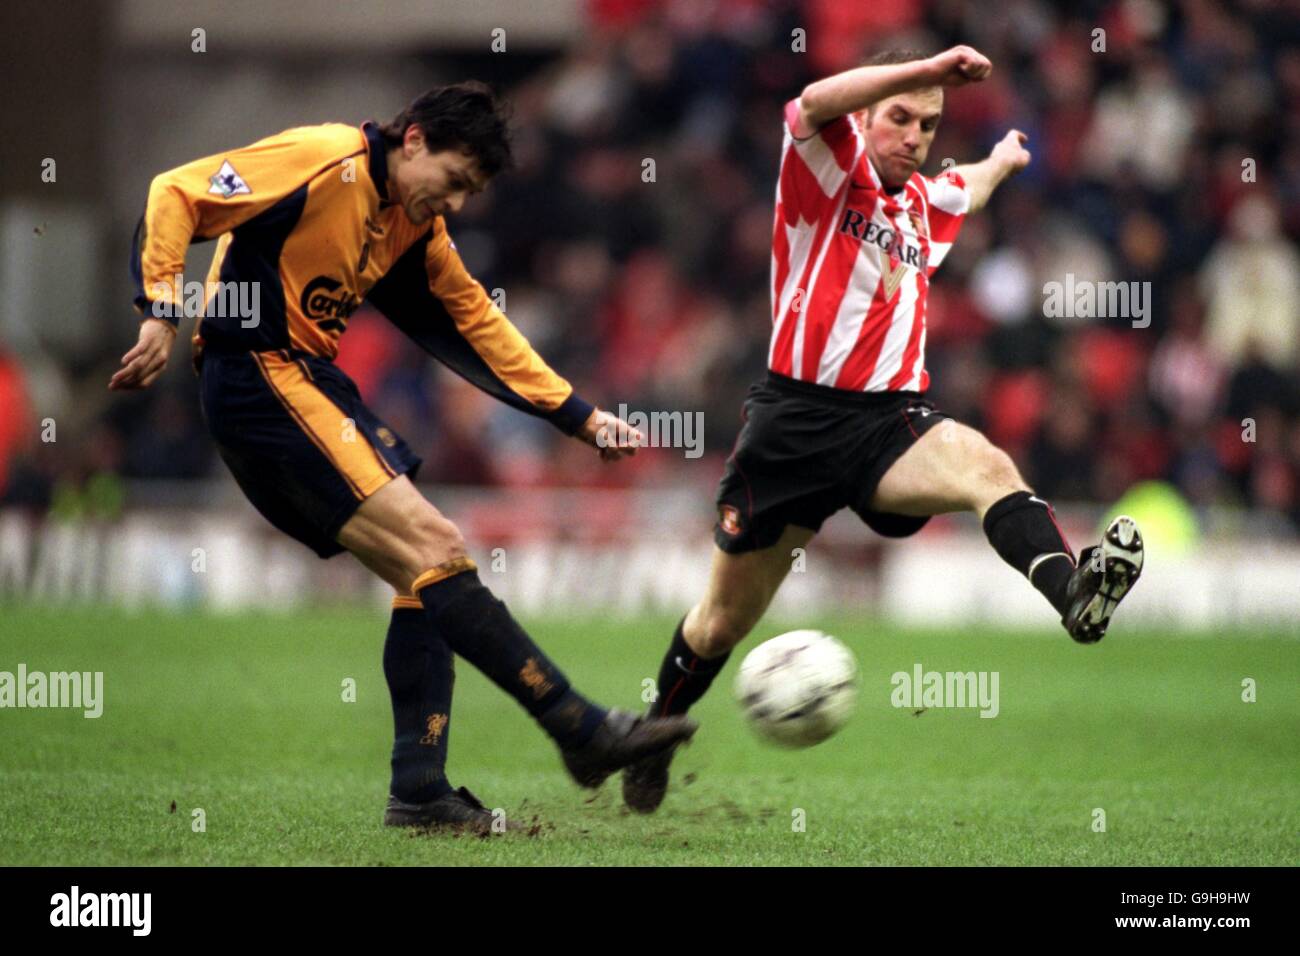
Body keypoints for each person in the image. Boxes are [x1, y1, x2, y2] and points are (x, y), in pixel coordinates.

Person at [112, 81, 695, 832]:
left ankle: (420, 788)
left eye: (469, 193)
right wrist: (161, 308)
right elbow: (176, 192)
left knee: (426, 576)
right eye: (454, 181)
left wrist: (578, 416)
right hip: (259, 374)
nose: (454, 203)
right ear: (413, 139)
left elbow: (479, 322)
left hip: (309, 381)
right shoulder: (325, 159)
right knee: (437, 548)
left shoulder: (412, 226)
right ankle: (580, 729)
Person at [623, 47, 1144, 814]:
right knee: (722, 620)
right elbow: (813, 96)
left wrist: (1002, 156)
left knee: (985, 465)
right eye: (899, 117)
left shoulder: (925, 205)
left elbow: (966, 186)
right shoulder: (823, 173)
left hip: (887, 424)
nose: (914, 135)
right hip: (793, 425)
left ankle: (1073, 593)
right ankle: (656, 730)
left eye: (928, 124)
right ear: (866, 118)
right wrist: (922, 67)